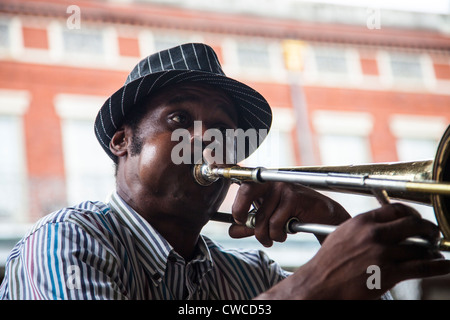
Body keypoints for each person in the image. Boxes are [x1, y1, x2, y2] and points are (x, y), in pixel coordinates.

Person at [1, 43, 449, 300]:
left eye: (220, 130)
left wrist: (331, 223)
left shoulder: (253, 274)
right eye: (178, 120)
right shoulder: (65, 241)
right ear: (122, 142)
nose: (204, 141)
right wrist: (308, 288)